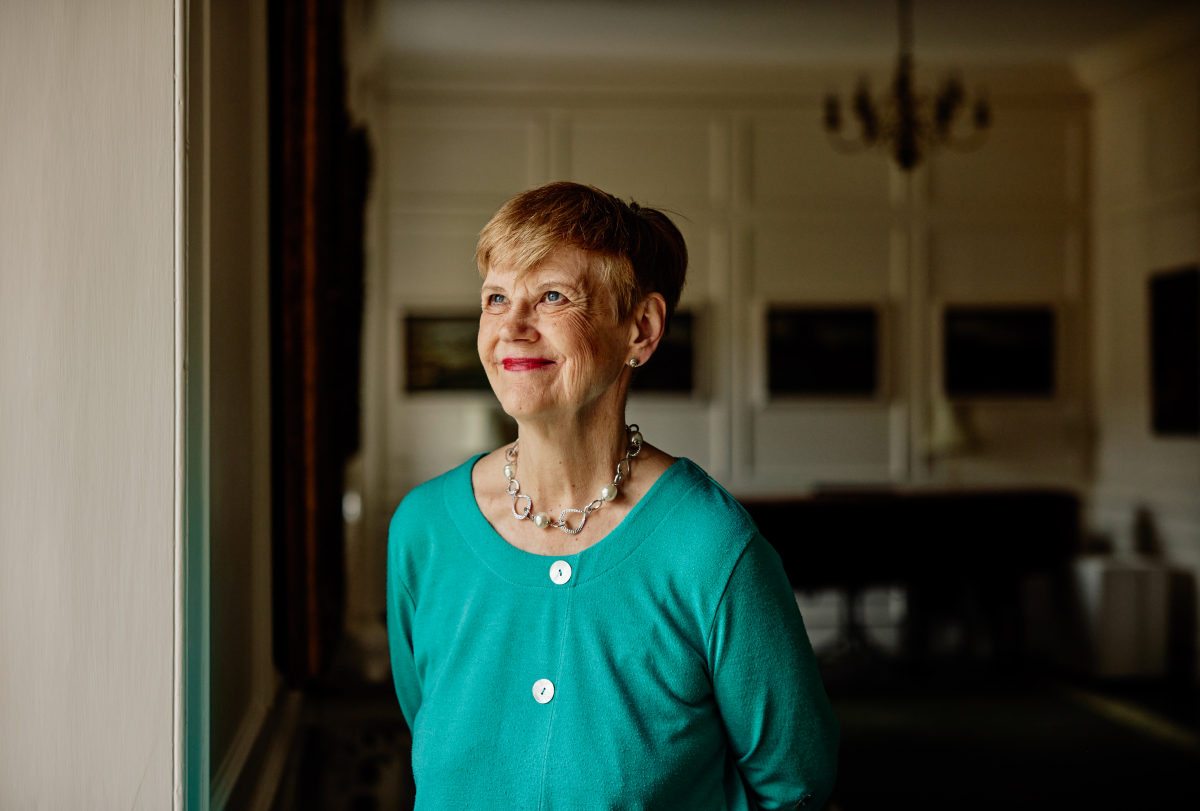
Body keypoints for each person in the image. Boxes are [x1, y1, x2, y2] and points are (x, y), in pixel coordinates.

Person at [387, 181, 838, 810]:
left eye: (552, 296)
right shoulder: (424, 529)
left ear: (641, 330)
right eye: (496, 297)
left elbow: (796, 788)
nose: (512, 327)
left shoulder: (711, 548)